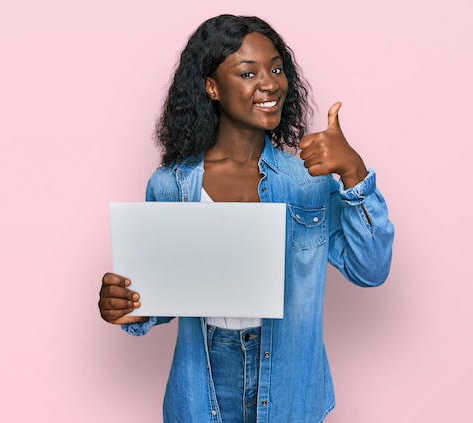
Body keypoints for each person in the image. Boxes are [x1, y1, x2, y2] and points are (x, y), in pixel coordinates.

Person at [98, 14, 394, 423]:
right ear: (212, 86)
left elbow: (371, 269)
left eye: (276, 68)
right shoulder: (170, 185)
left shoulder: (308, 182)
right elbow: (163, 296)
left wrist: (354, 173)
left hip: (290, 382)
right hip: (202, 383)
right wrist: (130, 305)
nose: (270, 83)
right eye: (248, 72)